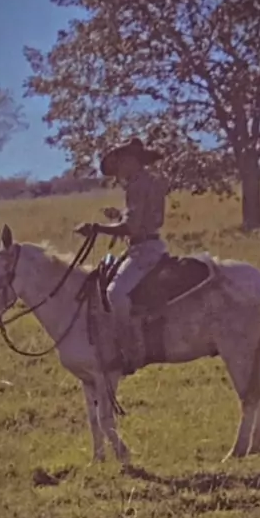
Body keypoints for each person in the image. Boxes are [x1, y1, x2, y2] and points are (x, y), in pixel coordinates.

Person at [75, 137, 168, 374]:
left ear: (132, 160)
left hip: (144, 249)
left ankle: (130, 352)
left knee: (114, 293)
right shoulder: (148, 181)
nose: (118, 170)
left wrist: (97, 228)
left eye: (121, 162)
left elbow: (132, 227)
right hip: (148, 245)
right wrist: (119, 216)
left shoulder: (137, 185)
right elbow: (140, 218)